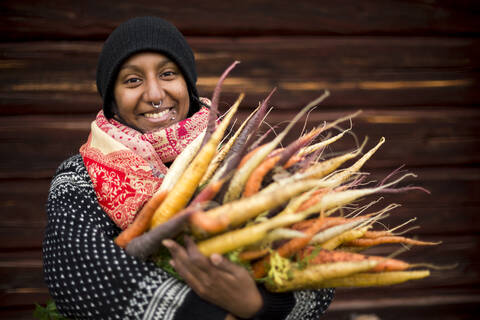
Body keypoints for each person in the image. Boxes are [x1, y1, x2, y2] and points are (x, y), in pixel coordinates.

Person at [42, 16, 334, 319]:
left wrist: (259, 305)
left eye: (168, 74)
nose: (155, 95)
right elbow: (76, 276)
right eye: (132, 80)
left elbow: (320, 269)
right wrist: (211, 314)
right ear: (112, 101)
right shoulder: (79, 177)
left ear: (188, 85)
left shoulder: (243, 161)